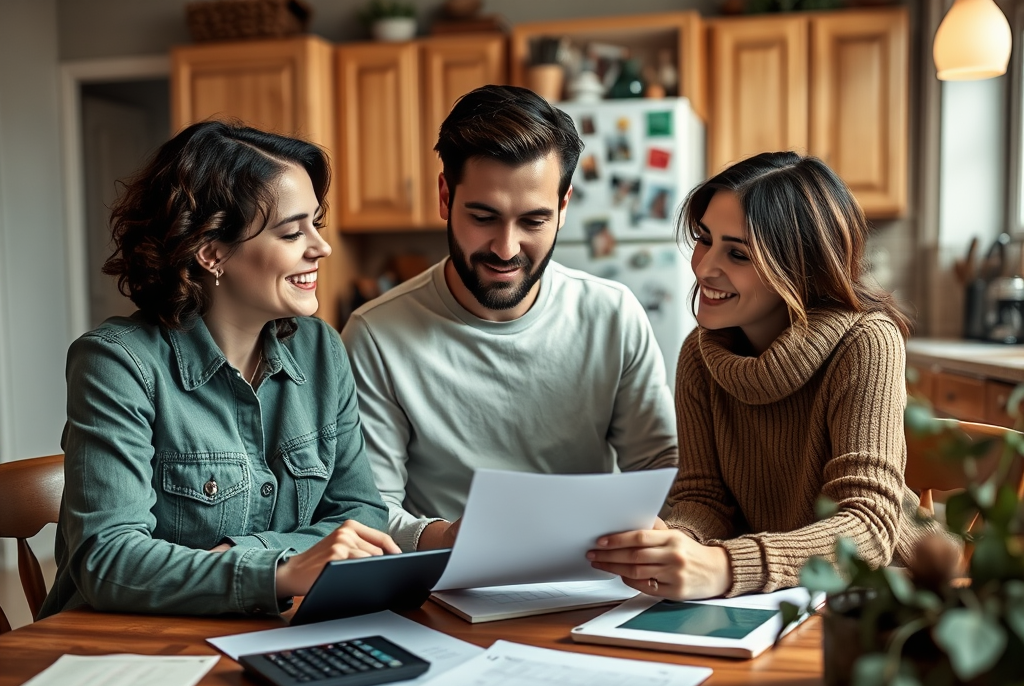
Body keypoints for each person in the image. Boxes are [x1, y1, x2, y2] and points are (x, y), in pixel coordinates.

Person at [39, 121, 398, 619]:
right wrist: (279, 570)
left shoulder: (321, 349)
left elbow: (360, 515)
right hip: (121, 649)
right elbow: (108, 561)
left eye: (317, 223)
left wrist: (242, 558)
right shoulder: (116, 362)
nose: (321, 247)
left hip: (260, 627)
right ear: (211, 252)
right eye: (293, 231)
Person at [341, 85, 678, 552]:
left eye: (533, 221)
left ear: (563, 209)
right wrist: (456, 538)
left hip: (591, 580)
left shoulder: (612, 315)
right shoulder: (375, 334)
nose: (506, 248)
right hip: (444, 585)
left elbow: (661, 469)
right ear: (445, 197)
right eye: (483, 216)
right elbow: (371, 512)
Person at [589, 151, 932, 600]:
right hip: (766, 597)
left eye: (737, 253)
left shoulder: (866, 342)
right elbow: (704, 500)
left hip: (886, 594)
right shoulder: (700, 354)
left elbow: (868, 525)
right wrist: (679, 541)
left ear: (800, 266)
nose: (704, 267)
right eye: (704, 239)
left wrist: (724, 565)